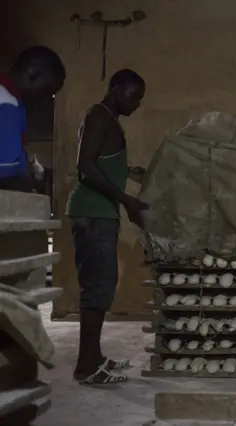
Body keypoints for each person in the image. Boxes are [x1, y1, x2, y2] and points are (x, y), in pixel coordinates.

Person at [66, 69, 149, 385]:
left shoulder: (108, 120)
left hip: (101, 213)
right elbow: (85, 167)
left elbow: (102, 161)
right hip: (92, 213)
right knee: (98, 288)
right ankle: (86, 367)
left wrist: (127, 171)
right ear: (116, 89)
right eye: (133, 95)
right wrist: (126, 200)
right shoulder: (98, 116)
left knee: (102, 285)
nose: (137, 103)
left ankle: (94, 357)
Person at [0, 46, 65, 191]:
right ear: (33, 73)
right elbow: (5, 174)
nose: (44, 100)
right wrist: (30, 186)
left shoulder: (14, 100)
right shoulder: (7, 102)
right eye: (46, 91)